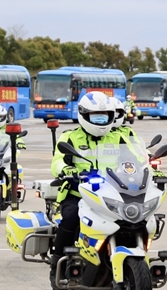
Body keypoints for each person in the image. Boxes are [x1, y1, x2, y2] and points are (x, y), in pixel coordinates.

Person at [50, 92, 127, 257]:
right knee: (71, 218)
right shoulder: (70, 137)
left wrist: (151, 169)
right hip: (78, 194)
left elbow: (138, 158)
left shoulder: (118, 137)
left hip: (115, 195)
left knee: (134, 220)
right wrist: (66, 169)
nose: (101, 121)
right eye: (96, 117)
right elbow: (57, 161)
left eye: (105, 116)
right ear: (84, 115)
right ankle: (58, 260)